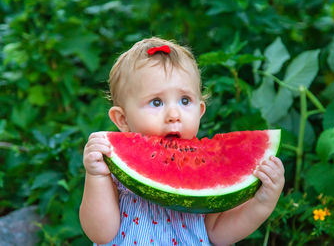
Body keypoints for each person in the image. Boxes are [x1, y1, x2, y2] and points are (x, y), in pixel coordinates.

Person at [79, 37, 285, 246]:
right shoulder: (114, 166)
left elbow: (219, 233)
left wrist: (262, 203)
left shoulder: (207, 169)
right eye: (156, 102)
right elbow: (100, 234)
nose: (174, 114)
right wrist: (95, 175)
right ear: (122, 119)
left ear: (200, 110)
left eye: (185, 100)